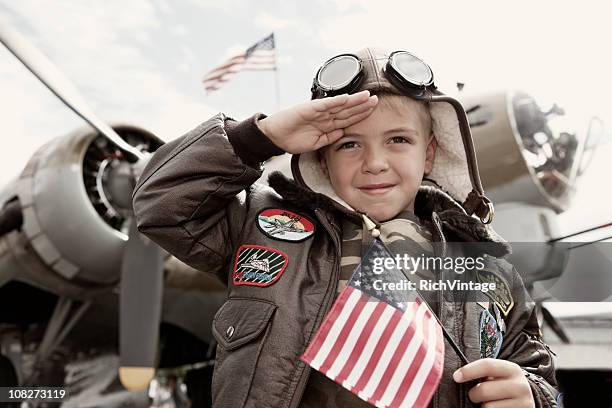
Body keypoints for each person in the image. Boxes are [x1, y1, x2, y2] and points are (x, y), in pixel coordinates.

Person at [132, 47, 559, 407]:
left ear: (428, 153)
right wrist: (261, 137)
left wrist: (533, 396)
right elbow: (161, 204)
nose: (374, 163)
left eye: (398, 140)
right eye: (349, 144)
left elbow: (538, 373)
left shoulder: (490, 268)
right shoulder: (258, 224)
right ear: (321, 157)